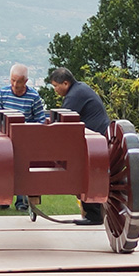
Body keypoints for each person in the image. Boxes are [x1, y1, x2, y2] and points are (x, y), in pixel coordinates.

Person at [49, 66, 110, 225]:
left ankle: (93, 215)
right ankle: (92, 213)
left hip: (94, 139)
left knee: (86, 173)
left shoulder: (74, 95)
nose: (55, 90)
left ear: (66, 83)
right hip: (97, 136)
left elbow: (63, 121)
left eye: (56, 86)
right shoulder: (80, 89)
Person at [0, 63, 46, 212]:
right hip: (4, 139)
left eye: (19, 81)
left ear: (26, 81)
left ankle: (22, 203)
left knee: (22, 169)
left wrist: (27, 130)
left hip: (25, 141)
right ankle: (2, 200)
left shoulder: (33, 96)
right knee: (2, 168)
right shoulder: (3, 93)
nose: (15, 85)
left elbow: (41, 120)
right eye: (13, 80)